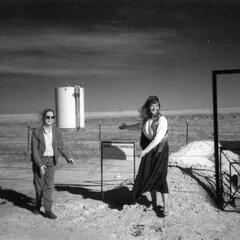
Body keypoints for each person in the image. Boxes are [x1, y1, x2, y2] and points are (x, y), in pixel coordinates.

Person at [119, 96, 169, 216]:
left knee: (160, 177)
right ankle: (154, 204)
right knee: (149, 175)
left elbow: (157, 139)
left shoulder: (162, 120)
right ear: (148, 107)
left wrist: (145, 151)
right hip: (150, 150)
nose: (155, 108)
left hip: (160, 151)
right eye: (152, 105)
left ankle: (166, 207)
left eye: (157, 106)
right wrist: (127, 127)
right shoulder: (146, 119)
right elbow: (138, 126)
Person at [31, 108, 75, 219]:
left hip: (52, 161)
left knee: (49, 186)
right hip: (40, 161)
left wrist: (68, 157)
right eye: (48, 116)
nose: (50, 119)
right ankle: (37, 205)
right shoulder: (36, 132)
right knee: (39, 186)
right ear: (43, 118)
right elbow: (35, 151)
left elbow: (61, 146)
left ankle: (48, 210)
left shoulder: (57, 131)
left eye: (52, 117)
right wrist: (40, 165)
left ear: (54, 118)